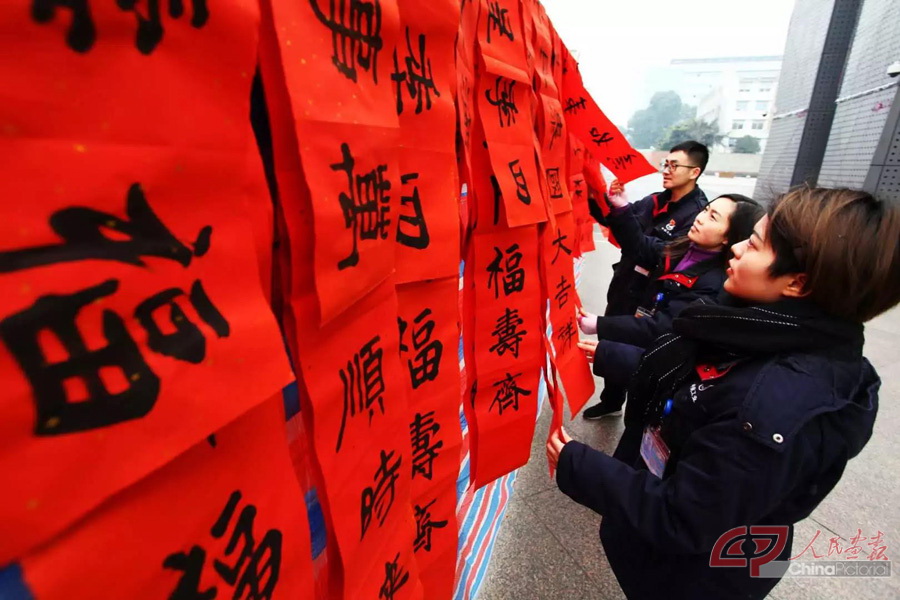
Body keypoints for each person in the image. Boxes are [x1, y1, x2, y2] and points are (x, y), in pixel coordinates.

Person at [546, 187, 900, 599]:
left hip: (701, 578)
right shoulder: (773, 334)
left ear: (797, 283)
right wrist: (609, 354)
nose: (733, 250)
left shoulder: (777, 407)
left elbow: (682, 517)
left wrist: (577, 463)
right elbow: (699, 384)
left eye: (751, 245)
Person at [579, 186, 764, 419]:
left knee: (644, 423)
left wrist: (600, 325)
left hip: (664, 366)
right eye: (706, 210)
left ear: (730, 236)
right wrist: (623, 207)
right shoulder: (684, 247)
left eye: (712, 216)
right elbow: (640, 245)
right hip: (646, 348)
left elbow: (664, 326)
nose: (700, 217)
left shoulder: (713, 283)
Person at [587, 141, 710, 419]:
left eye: (674, 165)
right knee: (614, 335)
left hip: (652, 296)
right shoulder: (655, 201)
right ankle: (611, 399)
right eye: (665, 164)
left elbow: (647, 249)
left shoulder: (697, 216)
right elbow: (616, 220)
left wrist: (622, 214)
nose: (666, 170)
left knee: (638, 350)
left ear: (694, 172)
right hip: (625, 284)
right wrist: (593, 195)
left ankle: (637, 412)